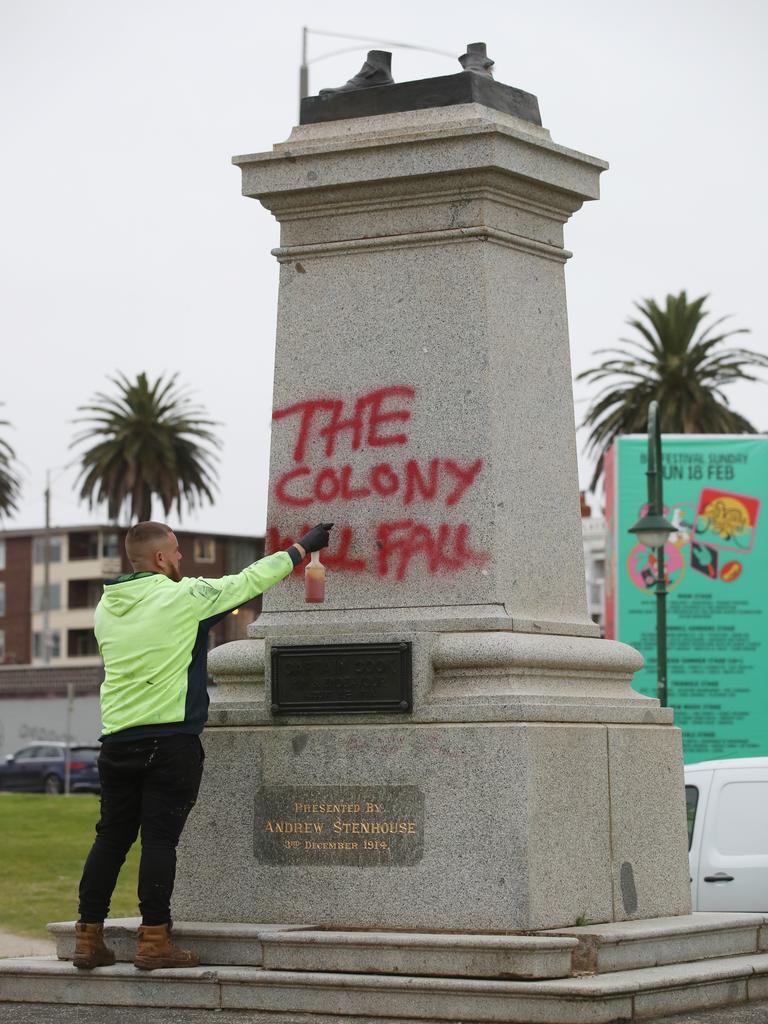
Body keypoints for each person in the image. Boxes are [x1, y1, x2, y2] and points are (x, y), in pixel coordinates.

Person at [73, 520, 332, 971]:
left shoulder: (106, 608)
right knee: (158, 841)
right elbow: (247, 582)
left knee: (111, 838)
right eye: (175, 552)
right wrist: (302, 549)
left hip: (116, 739)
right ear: (159, 559)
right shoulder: (182, 597)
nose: (181, 559)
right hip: (169, 739)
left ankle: (87, 937)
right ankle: (154, 942)